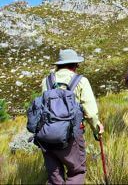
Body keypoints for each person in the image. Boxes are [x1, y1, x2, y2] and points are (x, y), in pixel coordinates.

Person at [40, 49, 104, 185]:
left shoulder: (46, 81)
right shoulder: (81, 81)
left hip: (47, 135)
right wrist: (96, 129)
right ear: (75, 65)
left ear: (59, 65)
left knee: (54, 177)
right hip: (71, 136)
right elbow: (90, 113)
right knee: (76, 172)